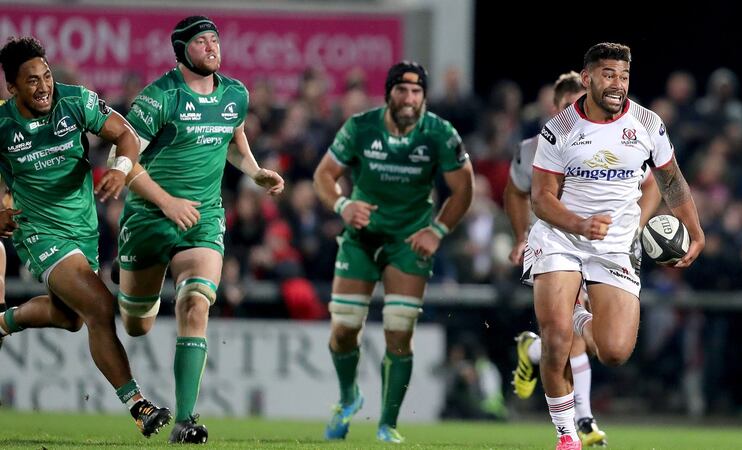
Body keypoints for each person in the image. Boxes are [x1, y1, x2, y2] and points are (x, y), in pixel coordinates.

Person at [108, 16, 285, 444]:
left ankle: (186, 420)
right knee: (137, 326)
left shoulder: (235, 94)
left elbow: (232, 138)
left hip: (202, 218)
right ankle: (125, 277)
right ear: (182, 50)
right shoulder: (159, 97)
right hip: (151, 218)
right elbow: (123, 158)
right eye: (202, 41)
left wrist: (255, 171)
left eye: (215, 40)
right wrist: (167, 203)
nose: (212, 47)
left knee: (195, 304)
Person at [528, 43, 704, 450]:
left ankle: (576, 316)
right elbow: (541, 198)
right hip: (562, 236)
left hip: (617, 244)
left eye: (623, 76)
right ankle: (567, 435)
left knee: (614, 351)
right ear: (587, 78)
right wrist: (579, 223)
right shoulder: (560, 128)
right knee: (554, 339)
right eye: (608, 74)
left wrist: (696, 231)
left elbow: (671, 181)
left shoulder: (647, 123)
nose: (617, 84)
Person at [0, 36, 171, 437]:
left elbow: (126, 134)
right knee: (99, 304)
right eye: (31, 81)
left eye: (47, 76)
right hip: (39, 231)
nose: (44, 87)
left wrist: (120, 167)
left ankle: (4, 322)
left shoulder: (75, 101)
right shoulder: (2, 124)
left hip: (83, 228)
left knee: (71, 317)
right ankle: (139, 406)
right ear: (12, 88)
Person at [313, 61, 474, 443]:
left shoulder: (439, 133)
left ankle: (387, 424)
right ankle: (349, 397)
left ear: (425, 97)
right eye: (402, 90)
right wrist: (342, 207)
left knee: (399, 333)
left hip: (409, 243)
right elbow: (323, 176)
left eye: (417, 92)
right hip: (362, 239)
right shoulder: (360, 126)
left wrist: (438, 230)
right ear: (389, 94)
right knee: (343, 330)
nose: (410, 98)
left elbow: (464, 188)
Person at [505, 71, 662, 447]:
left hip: (609, 246)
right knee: (564, 333)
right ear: (554, 108)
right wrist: (520, 235)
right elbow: (515, 192)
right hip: (558, 243)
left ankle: (532, 350)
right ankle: (582, 423)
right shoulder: (534, 147)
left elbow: (652, 183)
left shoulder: (615, 138)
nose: (575, 111)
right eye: (566, 105)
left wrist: (635, 229)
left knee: (599, 342)